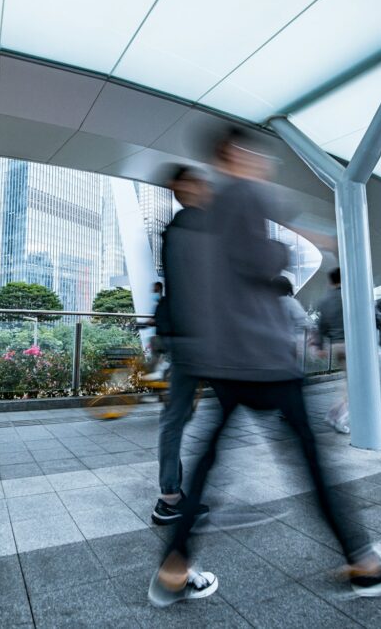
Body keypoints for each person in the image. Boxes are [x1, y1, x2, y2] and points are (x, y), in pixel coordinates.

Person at [148, 128, 381, 607]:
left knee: (212, 461)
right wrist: (286, 252)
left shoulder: (200, 218)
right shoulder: (244, 195)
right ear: (233, 153)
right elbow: (262, 262)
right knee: (310, 461)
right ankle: (365, 563)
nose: (263, 163)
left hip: (228, 358)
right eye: (256, 154)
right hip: (264, 357)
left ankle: (174, 569)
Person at [152, 165, 211, 526]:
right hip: (196, 336)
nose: (206, 188)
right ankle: (170, 496)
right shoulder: (192, 225)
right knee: (177, 416)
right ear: (184, 189)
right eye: (198, 183)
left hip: (187, 334)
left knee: (178, 414)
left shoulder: (178, 228)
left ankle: (171, 495)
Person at [310, 268, 349, 434]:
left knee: (350, 383)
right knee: (356, 386)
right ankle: (337, 416)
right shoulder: (350, 294)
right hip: (351, 345)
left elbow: (320, 326)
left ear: (330, 281)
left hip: (335, 345)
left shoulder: (324, 300)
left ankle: (335, 414)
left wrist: (319, 347)